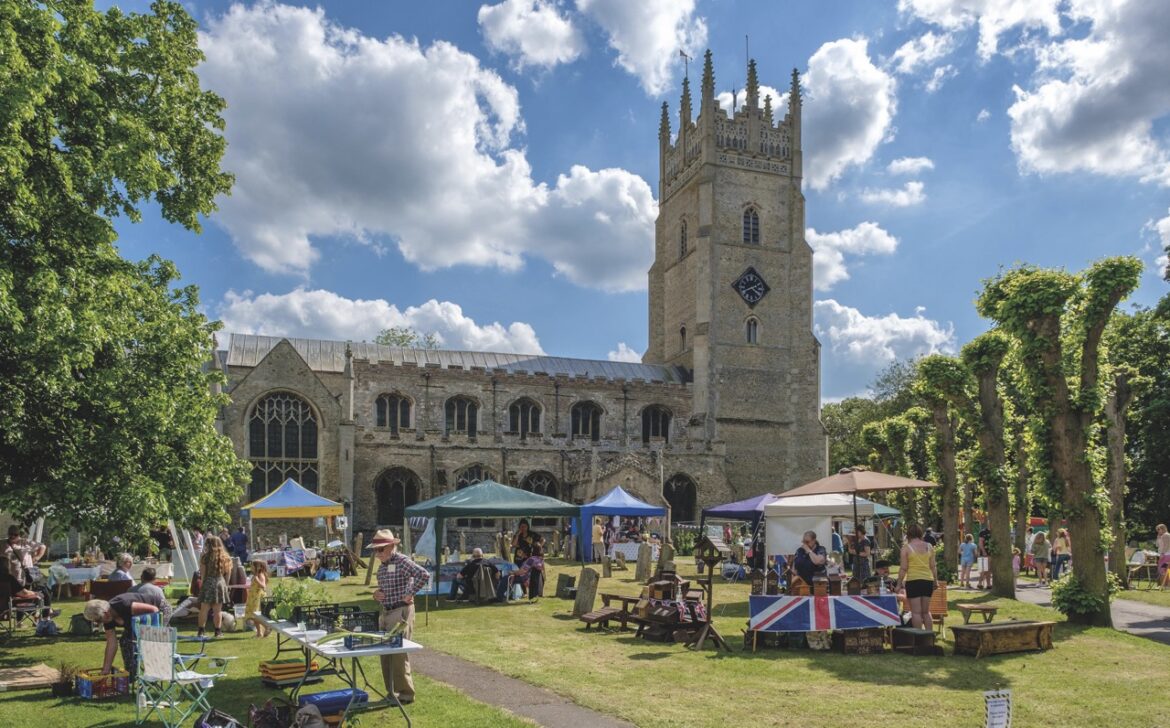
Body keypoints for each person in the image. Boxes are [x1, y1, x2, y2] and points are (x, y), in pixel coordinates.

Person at [368, 529, 429, 706]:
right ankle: (391, 692)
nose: (377, 554)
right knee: (386, 654)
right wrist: (376, 594)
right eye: (375, 550)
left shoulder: (402, 561)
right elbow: (383, 589)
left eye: (380, 549)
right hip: (386, 612)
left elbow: (423, 574)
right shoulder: (382, 567)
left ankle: (406, 694)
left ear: (391, 546)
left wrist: (410, 593)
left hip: (401, 612)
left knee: (399, 653)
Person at [84, 589, 165, 676]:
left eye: (98, 620)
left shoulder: (123, 604)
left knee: (135, 641)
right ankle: (132, 675)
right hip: (141, 618)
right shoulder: (107, 619)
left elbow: (154, 610)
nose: (99, 623)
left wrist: (149, 635)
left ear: (106, 613)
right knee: (125, 641)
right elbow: (111, 643)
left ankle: (153, 672)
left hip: (160, 609)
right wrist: (106, 669)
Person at [897, 524, 938, 630]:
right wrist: (935, 581)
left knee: (916, 613)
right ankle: (929, 638)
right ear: (921, 534)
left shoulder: (906, 548)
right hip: (927, 581)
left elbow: (903, 568)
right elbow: (933, 566)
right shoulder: (929, 546)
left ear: (908, 534)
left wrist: (898, 584)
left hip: (913, 581)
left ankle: (919, 638)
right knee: (926, 611)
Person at [4, 525, 53, 615]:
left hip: (28, 573)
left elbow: (42, 546)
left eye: (15, 534)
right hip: (14, 577)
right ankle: (22, 621)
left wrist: (36, 558)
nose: (13, 536)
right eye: (11, 534)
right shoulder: (4, 544)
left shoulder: (25, 542)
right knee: (22, 599)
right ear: (8, 534)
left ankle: (45, 615)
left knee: (44, 591)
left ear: (19, 534)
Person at [196, 535, 232, 638]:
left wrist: (203, 584)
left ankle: (201, 631)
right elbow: (228, 574)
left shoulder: (204, 557)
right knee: (217, 610)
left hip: (208, 582)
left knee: (204, 609)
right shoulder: (225, 557)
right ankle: (217, 632)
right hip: (220, 582)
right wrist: (226, 585)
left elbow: (202, 574)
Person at [246, 559, 270, 638]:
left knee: (256, 616)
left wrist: (256, 579)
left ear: (257, 567)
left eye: (252, 566)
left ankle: (267, 627)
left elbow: (263, 586)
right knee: (253, 616)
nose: (251, 567)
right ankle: (259, 633)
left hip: (257, 598)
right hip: (253, 598)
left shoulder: (260, 575)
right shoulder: (255, 575)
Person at [977, 525, 993, 589]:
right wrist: (983, 551)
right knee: (985, 569)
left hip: (992, 553)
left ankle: (988, 584)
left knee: (989, 570)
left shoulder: (995, 532)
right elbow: (980, 543)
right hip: (986, 553)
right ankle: (980, 583)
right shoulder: (983, 532)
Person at [1157, 524, 1170, 589]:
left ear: (1163, 528)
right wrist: (1159, 536)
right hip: (1167, 555)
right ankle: (1166, 585)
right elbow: (1157, 545)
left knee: (1162, 569)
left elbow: (1167, 546)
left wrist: (1162, 554)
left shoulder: (1166, 535)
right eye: (1157, 530)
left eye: (1159, 529)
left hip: (1166, 556)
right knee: (1166, 570)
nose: (1158, 531)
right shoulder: (1164, 535)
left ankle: (1164, 585)